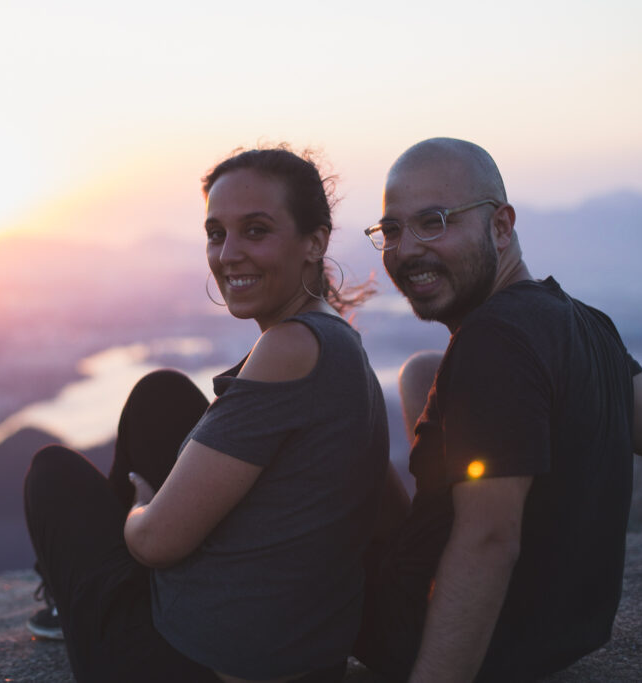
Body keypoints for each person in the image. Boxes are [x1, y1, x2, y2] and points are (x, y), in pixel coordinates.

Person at [353, 137, 642, 682]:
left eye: (435, 221)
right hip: (558, 636)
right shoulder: (585, 323)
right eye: (392, 230)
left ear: (502, 226)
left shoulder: (496, 340)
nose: (407, 248)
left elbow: (490, 540)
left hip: (432, 634)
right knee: (420, 370)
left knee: (328, 416)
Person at [23, 146, 390, 683]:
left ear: (315, 242)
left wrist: (141, 510)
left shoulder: (289, 349)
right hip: (299, 651)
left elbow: (154, 542)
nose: (228, 254)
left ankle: (74, 608)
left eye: (256, 230)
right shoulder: (336, 339)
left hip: (201, 665)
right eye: (217, 233)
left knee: (52, 473)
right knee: (163, 396)